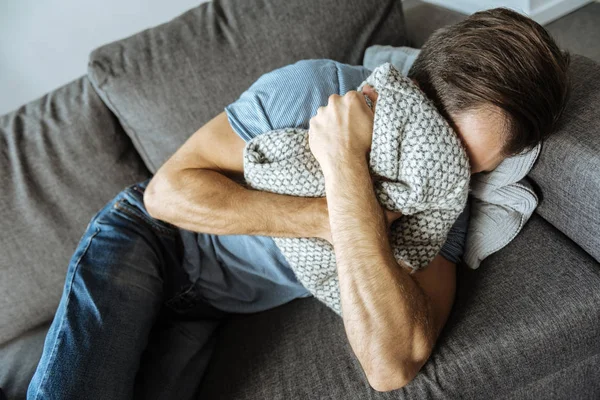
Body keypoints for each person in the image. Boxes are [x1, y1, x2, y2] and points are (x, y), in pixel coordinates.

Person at [27, 7, 570, 399]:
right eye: (439, 146)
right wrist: (326, 218)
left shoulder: (442, 201)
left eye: (469, 168)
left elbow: (391, 366)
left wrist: (344, 169)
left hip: (215, 311)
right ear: (404, 93)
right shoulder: (313, 90)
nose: (441, 174)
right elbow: (166, 194)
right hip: (149, 241)